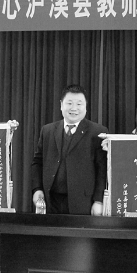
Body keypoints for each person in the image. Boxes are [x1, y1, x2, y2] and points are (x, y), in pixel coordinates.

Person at [31, 84, 108, 215]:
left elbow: (102, 169)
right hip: (50, 201)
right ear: (61, 105)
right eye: (69, 103)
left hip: (83, 203)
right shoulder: (47, 130)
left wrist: (99, 201)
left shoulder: (98, 132)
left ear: (86, 106)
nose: (74, 108)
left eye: (79, 104)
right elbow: (37, 163)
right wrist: (37, 189)